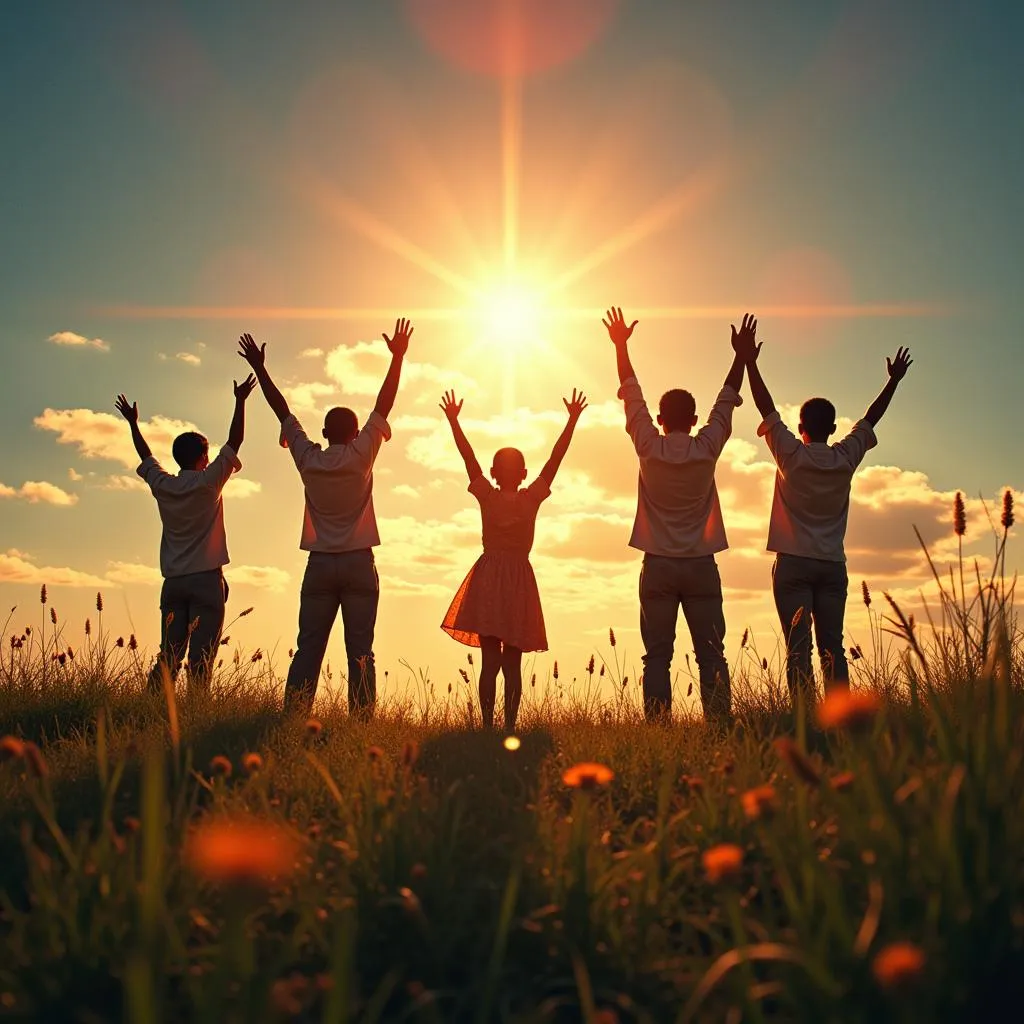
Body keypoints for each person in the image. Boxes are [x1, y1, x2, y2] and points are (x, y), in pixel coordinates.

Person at [238, 319, 413, 716]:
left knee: (309, 647)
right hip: (358, 562)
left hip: (318, 564)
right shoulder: (360, 454)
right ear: (355, 433)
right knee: (361, 650)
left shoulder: (308, 459)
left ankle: (295, 716)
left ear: (323, 430)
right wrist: (398, 358)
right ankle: (362, 724)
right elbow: (384, 404)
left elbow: (281, 410)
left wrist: (260, 368)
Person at [738, 324, 913, 702]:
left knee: (797, 651)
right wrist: (893, 382)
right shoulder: (845, 457)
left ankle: (804, 720)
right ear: (833, 429)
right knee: (832, 647)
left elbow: (765, 407)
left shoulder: (790, 455)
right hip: (832, 565)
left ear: (800, 428)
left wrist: (749, 362)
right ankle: (840, 720)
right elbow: (871, 419)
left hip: (794, 565)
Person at [604, 307, 755, 725]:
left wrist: (620, 345)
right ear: (692, 420)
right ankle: (721, 726)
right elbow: (726, 403)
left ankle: (658, 730)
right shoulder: (706, 448)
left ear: (659, 419)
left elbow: (630, 392)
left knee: (656, 656)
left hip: (658, 565)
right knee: (712, 653)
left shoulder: (647, 447)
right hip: (701, 565)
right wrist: (741, 357)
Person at [439, 387, 587, 731]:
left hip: (491, 578)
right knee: (511, 665)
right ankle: (507, 727)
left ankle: (491, 727)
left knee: (490, 662)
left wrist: (454, 422)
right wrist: (572, 421)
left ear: (494, 473)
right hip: (515, 580)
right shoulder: (529, 497)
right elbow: (554, 461)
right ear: (522, 474)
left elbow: (468, 459)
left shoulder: (488, 496)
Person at [115, 376, 257, 691]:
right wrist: (240, 401)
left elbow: (145, 456)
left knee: (168, 657)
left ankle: (152, 707)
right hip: (207, 580)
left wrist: (133, 424)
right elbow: (235, 442)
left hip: (174, 582)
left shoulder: (163, 485)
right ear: (204, 458)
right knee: (201, 660)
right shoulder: (209, 483)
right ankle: (195, 712)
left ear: (178, 458)